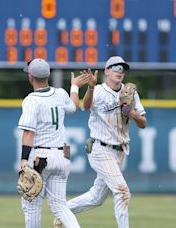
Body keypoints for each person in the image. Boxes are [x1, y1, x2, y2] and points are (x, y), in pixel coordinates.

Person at [54, 56, 147, 228]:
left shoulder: (130, 93)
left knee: (97, 197)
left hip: (119, 151)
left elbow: (143, 123)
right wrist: (90, 88)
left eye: (123, 69)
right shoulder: (98, 90)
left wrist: (130, 111)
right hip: (100, 148)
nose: (120, 71)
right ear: (106, 71)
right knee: (122, 192)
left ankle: (63, 212)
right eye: (116, 68)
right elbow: (86, 106)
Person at [18, 58, 90, 228]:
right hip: (62, 156)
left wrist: (23, 162)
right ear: (48, 75)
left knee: (31, 207)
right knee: (60, 206)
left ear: (31, 76)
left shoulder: (31, 100)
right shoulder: (60, 93)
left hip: (40, 157)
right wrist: (74, 87)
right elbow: (73, 107)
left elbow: (29, 132)